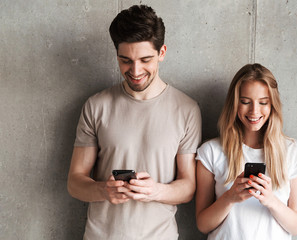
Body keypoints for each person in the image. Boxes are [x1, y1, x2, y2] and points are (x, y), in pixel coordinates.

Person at [67, 5, 202, 240]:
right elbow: (75, 182)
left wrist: (155, 191)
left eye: (145, 59)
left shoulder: (187, 109)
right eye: (125, 60)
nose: (136, 70)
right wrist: (103, 190)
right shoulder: (96, 106)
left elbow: (188, 186)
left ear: (162, 52)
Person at [195, 63, 297, 239]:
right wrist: (229, 197)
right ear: (234, 104)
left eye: (263, 102)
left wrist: (270, 200)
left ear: (272, 104)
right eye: (245, 102)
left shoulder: (294, 152)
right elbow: (203, 225)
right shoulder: (211, 152)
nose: (254, 111)